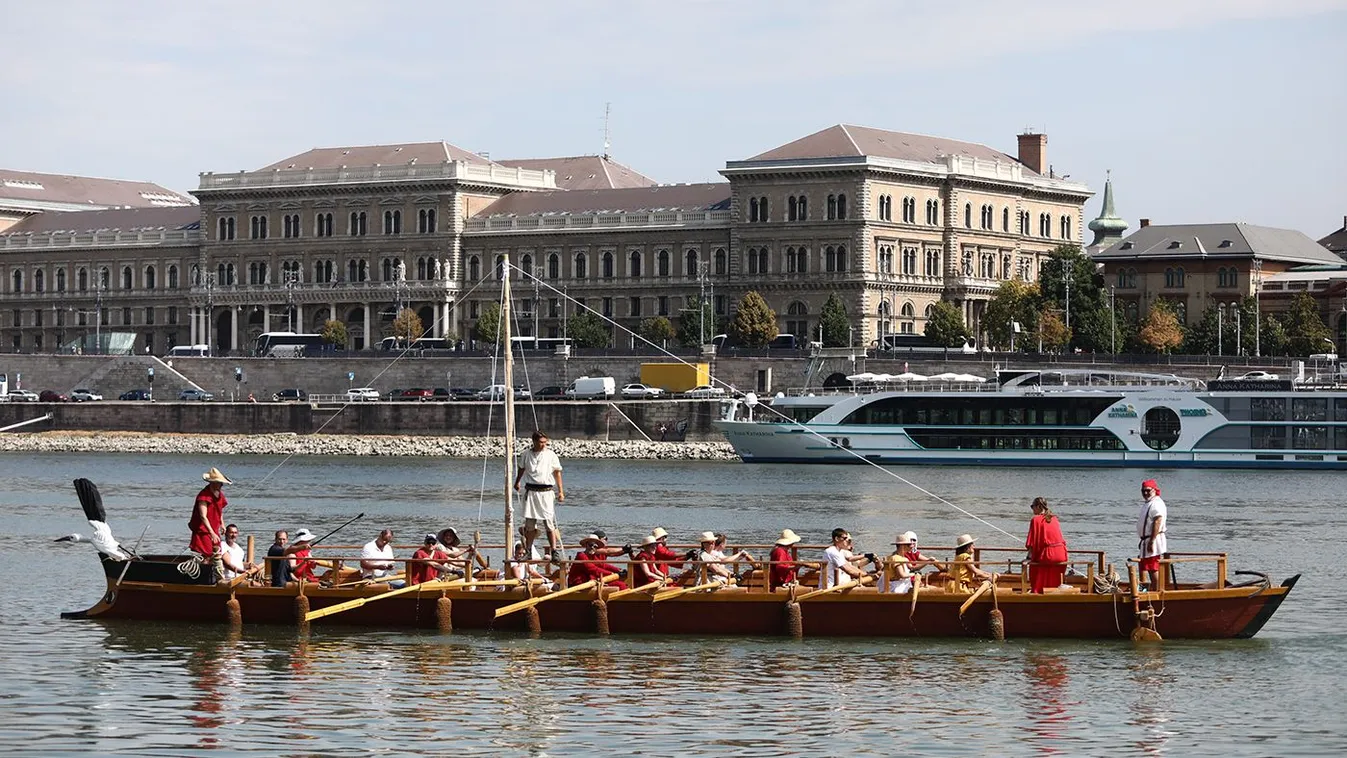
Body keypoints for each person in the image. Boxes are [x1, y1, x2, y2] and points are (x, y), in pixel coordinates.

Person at [513, 430, 565, 563]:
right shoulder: (526, 454)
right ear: (534, 441)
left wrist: (560, 491)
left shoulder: (550, 455)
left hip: (546, 492)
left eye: (545, 442)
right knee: (530, 525)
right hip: (531, 491)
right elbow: (521, 469)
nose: (543, 445)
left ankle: (554, 551)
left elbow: (557, 473)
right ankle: (528, 550)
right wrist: (517, 481)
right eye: (541, 442)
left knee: (549, 523)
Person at [1025, 497, 1069, 593]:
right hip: (1062, 554)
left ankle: (1037, 590)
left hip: (1049, 554)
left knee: (1034, 565)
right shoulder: (1054, 518)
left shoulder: (1035, 520)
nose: (1032, 509)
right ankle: (1052, 590)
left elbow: (1031, 543)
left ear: (1039, 507)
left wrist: (1029, 557)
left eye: (1032, 507)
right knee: (1050, 570)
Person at [188, 467, 231, 557]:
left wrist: (222, 524)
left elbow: (220, 511)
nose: (221, 485)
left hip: (215, 529)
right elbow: (203, 516)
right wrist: (211, 532)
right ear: (213, 483)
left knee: (217, 553)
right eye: (219, 483)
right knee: (207, 554)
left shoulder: (220, 495)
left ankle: (214, 569)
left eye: (221, 483)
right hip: (204, 531)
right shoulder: (203, 495)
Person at [1137, 479, 1168, 590]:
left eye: (1148, 491)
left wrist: (1152, 541)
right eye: (1143, 491)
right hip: (1147, 539)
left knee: (1152, 566)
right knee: (1148, 566)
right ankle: (1150, 588)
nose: (1145, 493)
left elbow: (1157, 521)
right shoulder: (1149, 503)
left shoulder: (1156, 503)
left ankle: (1157, 590)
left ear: (1154, 490)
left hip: (1153, 540)